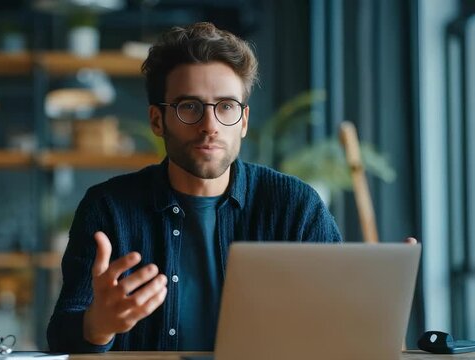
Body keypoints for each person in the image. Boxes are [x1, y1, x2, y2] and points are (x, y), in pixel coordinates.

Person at [46, 22, 342, 353]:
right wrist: (98, 326)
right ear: (158, 120)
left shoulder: (296, 207)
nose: (210, 126)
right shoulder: (108, 208)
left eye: (226, 106)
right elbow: (60, 334)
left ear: (243, 121)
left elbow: (344, 320)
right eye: (190, 107)